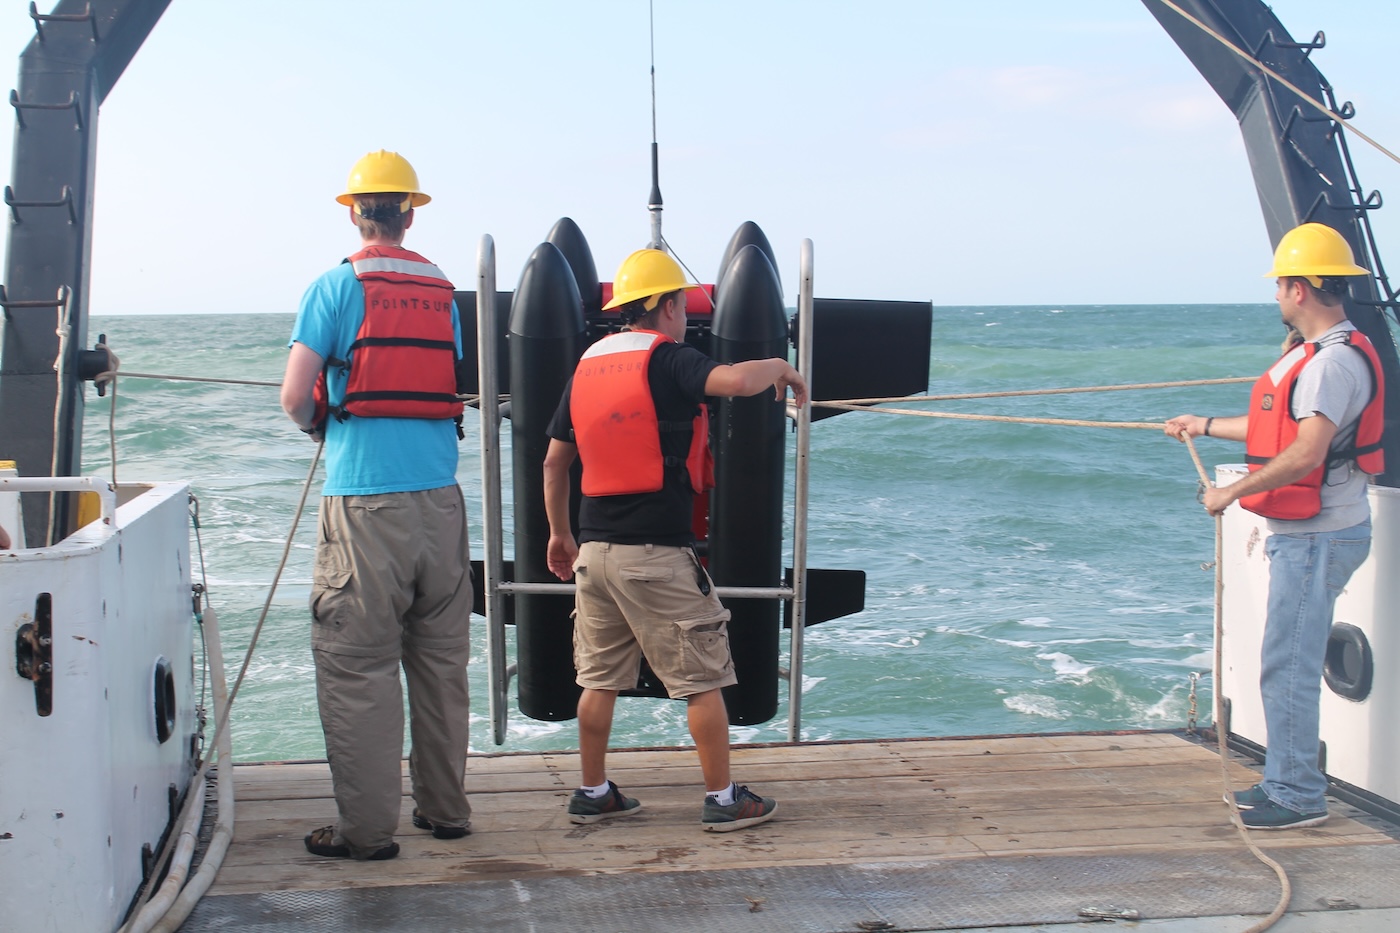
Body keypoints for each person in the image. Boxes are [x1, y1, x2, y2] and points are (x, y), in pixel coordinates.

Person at [542, 248, 807, 832]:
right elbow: (735, 381)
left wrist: (560, 535)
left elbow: (555, 463)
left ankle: (593, 792)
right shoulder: (669, 358)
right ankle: (724, 800)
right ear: (664, 305)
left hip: (595, 554)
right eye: (681, 306)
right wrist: (780, 366)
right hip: (654, 556)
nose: (685, 317)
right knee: (704, 679)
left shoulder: (587, 365)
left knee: (598, 679)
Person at [281, 150, 473, 860]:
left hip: (364, 508)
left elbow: (296, 396)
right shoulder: (442, 289)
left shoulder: (334, 286)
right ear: (410, 214)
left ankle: (366, 833)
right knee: (440, 663)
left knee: (359, 667)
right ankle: (446, 811)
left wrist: (318, 426)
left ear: (354, 213)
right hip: (441, 505)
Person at [1166, 222, 1384, 830]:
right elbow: (1277, 431)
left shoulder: (1328, 365)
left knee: (1287, 665)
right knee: (1283, 661)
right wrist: (1203, 424)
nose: (1277, 294)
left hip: (1318, 536)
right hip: (1319, 533)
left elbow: (1308, 453)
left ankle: (1297, 796)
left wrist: (1230, 493)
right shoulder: (1330, 353)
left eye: (1280, 283)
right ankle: (1284, 783)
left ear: (1299, 289)